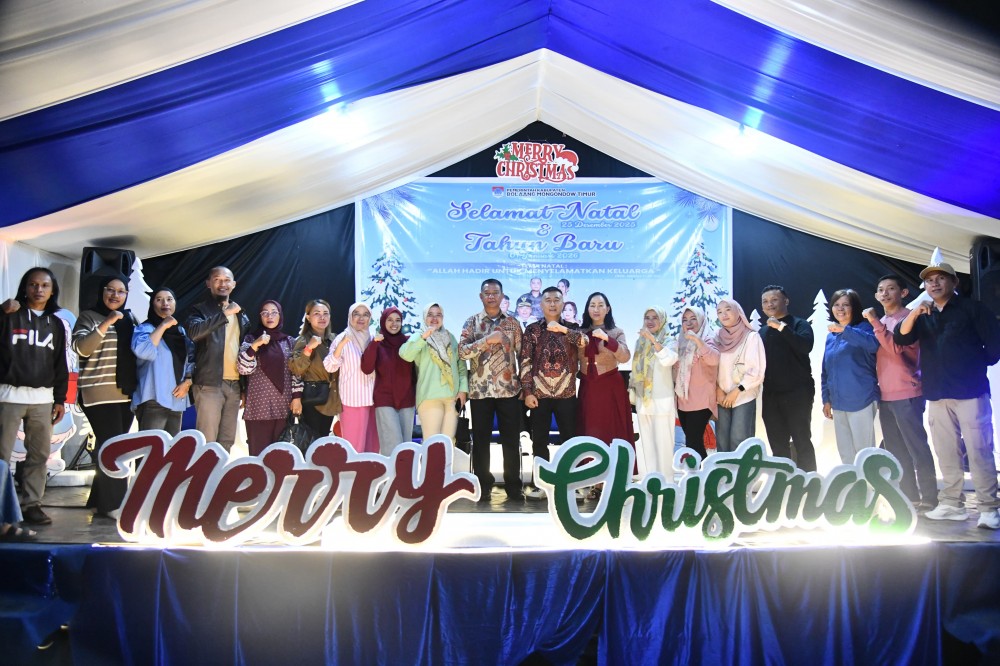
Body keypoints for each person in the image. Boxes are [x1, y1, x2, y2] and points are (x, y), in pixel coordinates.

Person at [895, 262, 1000, 529]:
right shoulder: (924, 313)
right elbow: (901, 338)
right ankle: (952, 503)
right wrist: (915, 312)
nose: (934, 284)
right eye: (929, 280)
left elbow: (994, 346)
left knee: (979, 450)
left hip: (970, 391)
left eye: (941, 278)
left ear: (954, 282)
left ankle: (989, 507)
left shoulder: (972, 308)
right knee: (945, 451)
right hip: (937, 393)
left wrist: (972, 365)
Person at [862, 275, 937, 511]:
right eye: (880, 289)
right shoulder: (882, 321)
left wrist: (874, 321)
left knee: (917, 448)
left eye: (890, 289)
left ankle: (930, 497)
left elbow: (895, 348)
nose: (884, 293)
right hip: (885, 396)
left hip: (907, 392)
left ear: (903, 293)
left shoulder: (909, 318)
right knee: (896, 451)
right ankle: (909, 497)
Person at [0, 267, 69, 525]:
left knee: (39, 456)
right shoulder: (9, 315)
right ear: (25, 287)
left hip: (43, 400)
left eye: (44, 285)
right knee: (1, 456)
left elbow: (60, 363)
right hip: (8, 396)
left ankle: (32, 505)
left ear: (52, 291)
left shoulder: (57, 324)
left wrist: (60, 399)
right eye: (33, 284)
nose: (38, 289)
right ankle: (1, 509)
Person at [72, 275, 138, 518]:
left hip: (125, 394)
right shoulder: (88, 316)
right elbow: (82, 348)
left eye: (121, 291)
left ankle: (99, 501)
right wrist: (107, 322)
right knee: (115, 449)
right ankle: (114, 505)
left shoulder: (130, 318)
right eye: (110, 290)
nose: (115, 295)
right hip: (98, 393)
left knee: (110, 446)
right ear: (102, 292)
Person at [459, 279, 524, 503]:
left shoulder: (513, 323)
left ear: (502, 296)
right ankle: (483, 486)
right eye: (487, 293)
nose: (491, 296)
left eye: (495, 293)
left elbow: (523, 356)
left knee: (511, 440)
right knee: (481, 441)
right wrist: (487, 340)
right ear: (481, 296)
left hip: (509, 391)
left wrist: (525, 387)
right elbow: (462, 352)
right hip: (480, 392)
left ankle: (513, 486)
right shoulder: (471, 322)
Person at [519, 287, 583, 498]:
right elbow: (525, 361)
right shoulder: (533, 330)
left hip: (567, 394)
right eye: (548, 300)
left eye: (557, 300)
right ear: (541, 304)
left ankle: (571, 484)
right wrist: (527, 391)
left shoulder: (572, 328)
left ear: (563, 303)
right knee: (539, 442)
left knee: (570, 441)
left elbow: (584, 342)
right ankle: (541, 484)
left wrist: (563, 330)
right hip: (539, 395)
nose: (553, 304)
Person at [185, 266, 250, 451]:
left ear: (234, 284)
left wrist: (244, 387)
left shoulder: (241, 314)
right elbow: (194, 333)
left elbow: (243, 351)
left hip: (234, 384)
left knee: (227, 441)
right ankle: (204, 472)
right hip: (209, 383)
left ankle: (221, 472)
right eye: (217, 280)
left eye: (227, 280)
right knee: (207, 441)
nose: (223, 284)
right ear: (209, 283)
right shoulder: (199, 310)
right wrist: (224, 314)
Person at [759, 285, 817, 471]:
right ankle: (782, 482)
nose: (770, 304)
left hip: (798, 392)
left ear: (786, 301)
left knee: (802, 439)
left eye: (774, 300)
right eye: (765, 301)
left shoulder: (800, 324)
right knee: (777, 443)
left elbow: (805, 346)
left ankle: (809, 481)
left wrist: (781, 327)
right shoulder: (762, 332)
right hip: (771, 395)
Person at [822, 289, 879, 464]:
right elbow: (826, 371)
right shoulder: (831, 336)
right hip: (838, 403)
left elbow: (874, 345)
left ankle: (869, 482)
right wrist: (826, 399)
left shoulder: (864, 328)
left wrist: (845, 330)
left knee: (865, 453)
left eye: (846, 305)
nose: (840, 309)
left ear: (854, 307)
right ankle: (851, 482)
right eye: (836, 305)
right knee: (846, 454)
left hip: (861, 399)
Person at [238, 300, 302, 456]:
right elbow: (243, 369)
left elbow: (296, 372)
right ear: (260, 317)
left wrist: (297, 397)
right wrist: (255, 345)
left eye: (274, 312)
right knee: (258, 454)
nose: (270, 316)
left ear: (280, 316)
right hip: (258, 406)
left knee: (281, 456)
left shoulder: (289, 341)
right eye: (265, 313)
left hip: (283, 404)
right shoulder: (250, 339)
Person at [400, 304, 467, 445]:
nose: (434, 318)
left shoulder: (450, 337)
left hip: (452, 397)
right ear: (425, 317)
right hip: (429, 396)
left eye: (438, 314)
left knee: (449, 443)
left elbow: (461, 366)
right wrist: (423, 338)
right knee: (432, 443)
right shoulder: (419, 336)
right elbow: (405, 354)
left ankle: (446, 462)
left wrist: (463, 390)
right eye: (430, 314)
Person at [131, 288, 195, 436]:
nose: (165, 303)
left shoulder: (180, 331)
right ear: (152, 304)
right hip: (153, 399)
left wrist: (188, 382)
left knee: (171, 448)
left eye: (169, 299)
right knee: (149, 447)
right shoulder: (145, 328)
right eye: (159, 299)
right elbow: (144, 351)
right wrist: (163, 325)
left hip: (176, 400)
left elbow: (190, 359)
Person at [577, 292, 634, 450]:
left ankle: (614, 463)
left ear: (607, 309)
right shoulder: (580, 332)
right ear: (587, 309)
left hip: (611, 388)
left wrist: (608, 339)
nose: (596, 309)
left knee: (613, 429)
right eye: (592, 305)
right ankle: (589, 462)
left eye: (600, 305)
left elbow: (625, 357)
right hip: (588, 387)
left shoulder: (616, 332)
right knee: (588, 428)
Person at [629, 306, 679, 475]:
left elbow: (669, 360)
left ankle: (666, 484)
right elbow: (635, 370)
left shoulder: (669, 340)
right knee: (647, 446)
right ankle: (649, 482)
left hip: (662, 401)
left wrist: (652, 340)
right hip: (644, 401)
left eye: (655, 317)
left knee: (664, 446)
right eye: (647, 317)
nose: (650, 321)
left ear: (662, 320)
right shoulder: (640, 343)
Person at [324, 302, 378, 453]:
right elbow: (329, 366)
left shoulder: (373, 338)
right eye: (356, 314)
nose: (361, 318)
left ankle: (370, 469)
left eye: (365, 315)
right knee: (354, 448)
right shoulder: (342, 338)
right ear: (350, 317)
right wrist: (342, 345)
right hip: (352, 401)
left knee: (372, 447)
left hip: (373, 401)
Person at [713, 298, 765, 453]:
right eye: (719, 312)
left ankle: (741, 470)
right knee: (722, 440)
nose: (724, 314)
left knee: (739, 439)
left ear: (737, 311)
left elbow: (756, 371)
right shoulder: (716, 337)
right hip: (721, 396)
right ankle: (724, 469)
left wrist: (736, 391)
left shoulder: (751, 337)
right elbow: (711, 366)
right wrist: (718, 389)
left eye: (728, 309)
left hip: (743, 395)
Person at [363, 307, 417, 454]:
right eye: (390, 320)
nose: (394, 324)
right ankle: (392, 470)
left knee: (406, 445)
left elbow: (416, 371)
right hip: (384, 400)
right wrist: (374, 343)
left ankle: (405, 470)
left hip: (407, 399)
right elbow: (366, 368)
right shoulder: (378, 343)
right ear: (383, 321)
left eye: (398, 320)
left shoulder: (408, 342)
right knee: (392, 444)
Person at [288, 299, 339, 439]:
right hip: (312, 398)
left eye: (325, 313)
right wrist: (309, 348)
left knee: (324, 440)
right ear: (308, 317)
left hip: (331, 398)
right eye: (317, 313)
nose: (322, 317)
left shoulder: (335, 339)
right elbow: (296, 369)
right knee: (312, 442)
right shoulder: (303, 340)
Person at [675, 306, 719, 458]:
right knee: (691, 442)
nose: (689, 323)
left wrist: (697, 340)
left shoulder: (708, 338)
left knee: (694, 441)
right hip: (683, 400)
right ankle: (700, 471)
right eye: (685, 320)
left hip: (702, 399)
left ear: (701, 320)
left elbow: (714, 360)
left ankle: (704, 471)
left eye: (693, 319)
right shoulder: (680, 341)